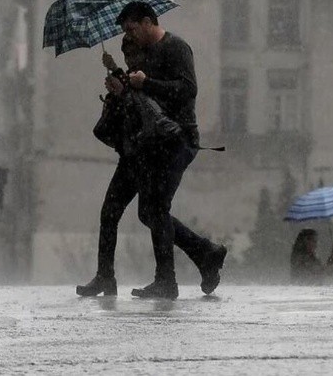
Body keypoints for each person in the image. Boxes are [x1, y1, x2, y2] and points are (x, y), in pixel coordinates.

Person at [78, 34, 225, 298]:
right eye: (126, 55)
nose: (130, 60)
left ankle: (175, 273)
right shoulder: (127, 78)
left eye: (133, 54)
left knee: (153, 212)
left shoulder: (147, 78)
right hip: (131, 154)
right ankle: (105, 276)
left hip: (149, 154)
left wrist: (126, 91)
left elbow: (153, 112)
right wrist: (114, 90)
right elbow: (117, 122)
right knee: (114, 211)